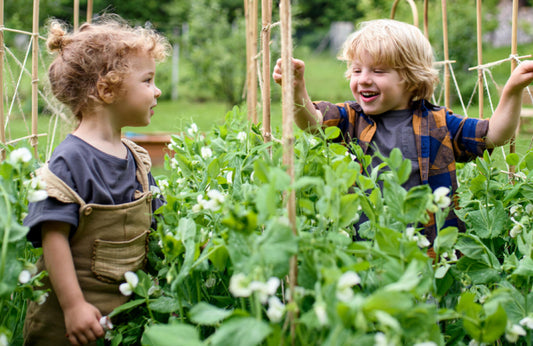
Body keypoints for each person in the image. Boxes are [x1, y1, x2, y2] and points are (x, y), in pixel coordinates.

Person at [273, 19, 533, 244]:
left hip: (431, 246)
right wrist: (296, 90)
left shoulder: (438, 122)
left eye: (378, 71)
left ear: (410, 78)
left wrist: (512, 90)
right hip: (370, 240)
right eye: (356, 70)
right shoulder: (351, 118)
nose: (363, 78)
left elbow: (494, 135)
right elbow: (313, 122)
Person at [23, 15, 170, 345]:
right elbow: (54, 237)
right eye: (147, 81)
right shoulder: (71, 160)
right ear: (107, 90)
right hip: (67, 323)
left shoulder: (136, 157)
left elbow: (155, 222)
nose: (157, 89)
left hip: (123, 315)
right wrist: (74, 306)